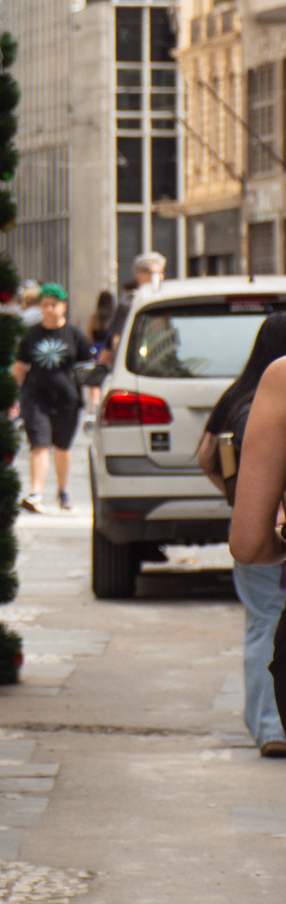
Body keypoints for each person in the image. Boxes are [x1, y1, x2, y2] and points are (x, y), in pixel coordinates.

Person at [202, 313, 286, 757]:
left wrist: (239, 495)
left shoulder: (249, 393)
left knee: (262, 622)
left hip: (265, 529)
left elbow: (205, 455)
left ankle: (270, 727)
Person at [13, 283, 93, 513]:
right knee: (39, 444)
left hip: (67, 398)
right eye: (45, 305)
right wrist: (13, 396)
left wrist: (92, 405)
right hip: (35, 396)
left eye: (53, 305)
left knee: (62, 447)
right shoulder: (31, 334)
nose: (48, 309)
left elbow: (87, 371)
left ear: (63, 307)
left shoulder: (75, 335)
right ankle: (36, 493)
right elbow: (19, 366)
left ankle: (62, 490)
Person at [100, 252, 166, 365]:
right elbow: (116, 342)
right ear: (139, 276)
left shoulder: (164, 303)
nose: (160, 278)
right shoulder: (129, 304)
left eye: (162, 273)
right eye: (155, 274)